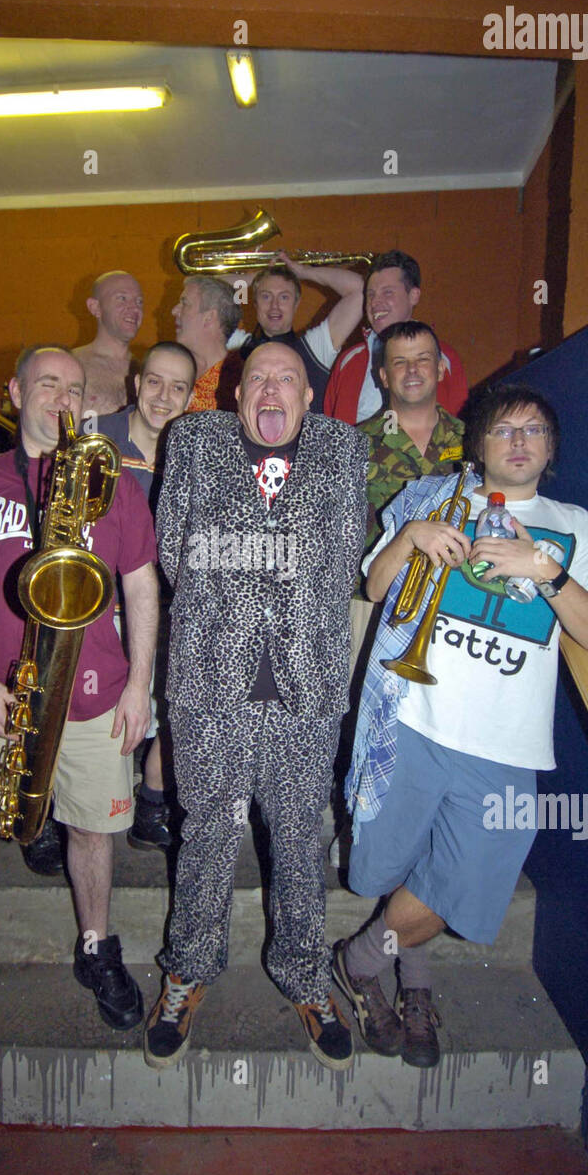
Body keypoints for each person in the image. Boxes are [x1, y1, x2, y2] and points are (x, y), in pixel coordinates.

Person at [336, 382, 588, 1068]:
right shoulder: (437, 497)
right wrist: (409, 535)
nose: (518, 441)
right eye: (504, 430)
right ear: (480, 444)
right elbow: (375, 587)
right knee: (392, 868)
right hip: (410, 719)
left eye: (533, 432)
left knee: (459, 884)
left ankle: (358, 959)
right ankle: (416, 981)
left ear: (550, 450)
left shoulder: (577, 527)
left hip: (506, 745)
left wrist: (545, 572)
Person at [0, 346, 159, 1056]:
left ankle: (96, 945)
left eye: (75, 389)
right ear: (13, 393)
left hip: (94, 694)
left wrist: (140, 683)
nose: (62, 399)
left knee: (92, 831)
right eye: (48, 384)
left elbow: (139, 585)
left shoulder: (114, 485)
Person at [144, 342, 369, 1071]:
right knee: (207, 827)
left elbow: (339, 558)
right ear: (238, 392)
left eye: (289, 380)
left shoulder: (344, 449)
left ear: (309, 397)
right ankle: (188, 970)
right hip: (210, 674)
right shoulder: (194, 439)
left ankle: (304, 972)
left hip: (306, 678)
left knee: (302, 836)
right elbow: (173, 550)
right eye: (259, 378)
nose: (272, 390)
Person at [91, 341, 196, 851]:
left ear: (191, 396)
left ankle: (151, 804)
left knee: (179, 706)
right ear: (137, 383)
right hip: (97, 611)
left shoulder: (199, 452)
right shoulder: (98, 441)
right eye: (154, 381)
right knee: (98, 721)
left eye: (178, 387)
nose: (163, 396)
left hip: (168, 609)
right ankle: (58, 817)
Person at [351, 319, 464, 673]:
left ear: (441, 369)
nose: (412, 370)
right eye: (400, 362)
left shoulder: (475, 441)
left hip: (453, 607)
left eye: (423, 359)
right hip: (369, 607)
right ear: (382, 376)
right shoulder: (351, 445)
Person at [324, 251, 468, 423]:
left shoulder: (444, 358)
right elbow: (330, 429)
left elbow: (461, 426)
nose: (375, 302)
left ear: (413, 296)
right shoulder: (348, 362)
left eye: (388, 292)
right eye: (371, 295)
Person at [229, 255, 363, 413]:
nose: (275, 306)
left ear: (296, 303)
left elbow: (360, 290)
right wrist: (249, 279)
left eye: (284, 297)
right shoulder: (237, 345)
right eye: (266, 296)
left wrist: (305, 272)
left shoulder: (316, 348)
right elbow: (196, 293)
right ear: (255, 303)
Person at [73, 270, 144, 416]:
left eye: (139, 301)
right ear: (95, 307)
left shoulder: (148, 372)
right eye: (122, 298)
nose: (134, 308)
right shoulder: (72, 365)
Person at [171, 275, 241, 412]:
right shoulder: (170, 370)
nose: (174, 311)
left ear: (209, 318)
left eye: (185, 303)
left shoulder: (239, 380)